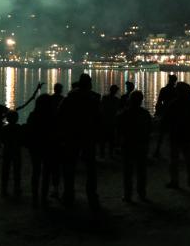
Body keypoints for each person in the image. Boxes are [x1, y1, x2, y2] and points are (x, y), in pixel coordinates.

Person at [58, 73, 102, 210]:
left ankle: (68, 194)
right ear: (89, 84)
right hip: (88, 135)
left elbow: (60, 114)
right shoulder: (94, 98)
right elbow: (99, 117)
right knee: (90, 167)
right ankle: (91, 194)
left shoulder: (70, 97)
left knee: (70, 165)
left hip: (72, 135)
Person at [116, 90, 152, 202]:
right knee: (141, 171)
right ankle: (141, 193)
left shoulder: (124, 114)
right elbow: (149, 129)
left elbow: (119, 129)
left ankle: (128, 195)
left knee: (128, 171)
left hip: (128, 144)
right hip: (142, 144)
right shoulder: (145, 114)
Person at [163, 81, 190, 189]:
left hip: (176, 134)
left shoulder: (174, 104)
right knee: (189, 159)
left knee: (174, 159)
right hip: (188, 133)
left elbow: (167, 119)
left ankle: (175, 181)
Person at [26, 93, 57, 206]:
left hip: (35, 146)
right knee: (46, 172)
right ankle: (43, 197)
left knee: (36, 171)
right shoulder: (52, 117)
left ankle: (35, 197)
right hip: (48, 146)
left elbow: (29, 131)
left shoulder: (33, 115)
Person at [153, 74, 178, 157]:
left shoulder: (164, 90)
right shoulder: (176, 91)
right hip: (174, 114)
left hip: (165, 113)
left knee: (162, 133)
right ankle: (173, 152)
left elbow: (159, 102)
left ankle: (157, 150)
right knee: (173, 134)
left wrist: (157, 112)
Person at [1, 110, 23, 197]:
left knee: (5, 169)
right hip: (16, 151)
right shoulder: (19, 128)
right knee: (17, 170)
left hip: (7, 150)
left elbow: (2, 139)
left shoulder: (4, 128)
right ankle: (16, 187)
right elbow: (21, 139)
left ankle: (4, 188)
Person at [99, 84, 121, 158]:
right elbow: (118, 110)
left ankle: (102, 153)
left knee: (103, 139)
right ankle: (110, 154)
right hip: (112, 121)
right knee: (111, 139)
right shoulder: (116, 100)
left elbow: (101, 108)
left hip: (104, 121)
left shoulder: (105, 98)